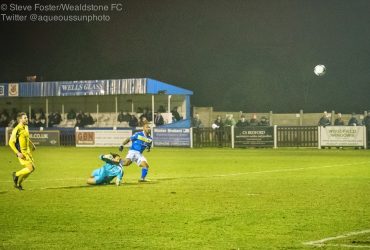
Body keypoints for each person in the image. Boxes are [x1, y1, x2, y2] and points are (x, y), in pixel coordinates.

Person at [8, 112, 36, 190]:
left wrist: (32, 144)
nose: (27, 119)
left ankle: (18, 184)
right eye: (25, 118)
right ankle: (16, 174)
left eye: (27, 117)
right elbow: (10, 143)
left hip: (28, 152)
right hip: (22, 152)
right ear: (20, 119)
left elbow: (26, 138)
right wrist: (18, 153)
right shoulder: (16, 129)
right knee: (30, 168)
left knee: (32, 168)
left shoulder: (26, 127)